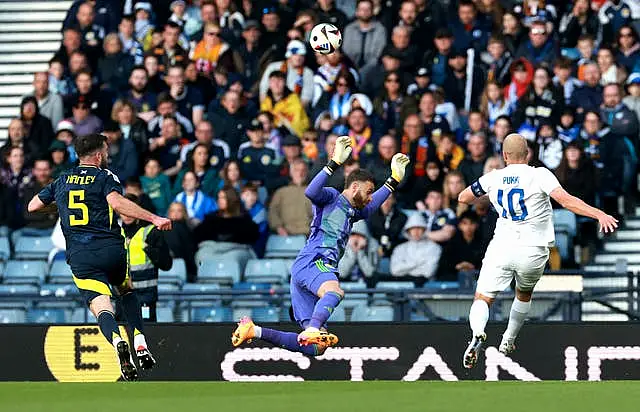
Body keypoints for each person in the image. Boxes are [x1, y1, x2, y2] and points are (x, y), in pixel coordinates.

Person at [231, 136, 409, 355]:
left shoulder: (353, 213)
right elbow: (311, 192)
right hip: (315, 261)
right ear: (354, 187)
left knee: (315, 348)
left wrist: (393, 181)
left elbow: (371, 209)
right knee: (335, 292)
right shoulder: (333, 197)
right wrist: (333, 163)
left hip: (304, 270)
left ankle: (254, 331)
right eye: (369, 191)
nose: (371, 197)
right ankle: (314, 327)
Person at [458, 133, 618, 369]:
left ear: (504, 156)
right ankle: (508, 340)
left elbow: (463, 197)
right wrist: (599, 214)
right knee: (523, 293)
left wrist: (489, 197)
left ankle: (478, 333)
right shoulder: (539, 174)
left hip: (501, 246)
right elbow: (567, 201)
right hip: (533, 249)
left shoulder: (494, 177)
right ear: (528, 154)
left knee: (483, 298)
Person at [27, 133, 172, 381]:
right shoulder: (105, 176)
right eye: (105, 151)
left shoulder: (62, 180)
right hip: (111, 250)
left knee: (100, 305)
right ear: (97, 155)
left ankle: (117, 340)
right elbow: (117, 202)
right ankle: (138, 339)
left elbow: (33, 206)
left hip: (81, 256)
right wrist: (154, 218)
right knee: (126, 291)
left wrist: (61, 205)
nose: (107, 155)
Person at [120, 194, 173, 322]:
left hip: (145, 297)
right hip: (121, 295)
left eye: (130, 211)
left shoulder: (150, 232)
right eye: (123, 211)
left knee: (146, 335)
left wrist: (147, 248)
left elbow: (166, 264)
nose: (126, 215)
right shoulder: (115, 233)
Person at [268, 158, 313, 236]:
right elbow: (273, 212)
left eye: (303, 170)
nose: (300, 173)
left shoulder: (314, 192)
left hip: (308, 235)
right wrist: (279, 227)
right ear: (291, 172)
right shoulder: (281, 192)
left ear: (307, 172)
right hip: (284, 236)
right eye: (296, 170)